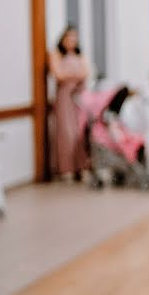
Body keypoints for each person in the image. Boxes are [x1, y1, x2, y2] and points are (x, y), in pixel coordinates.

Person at [49, 27, 90, 181]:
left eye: (74, 38)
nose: (72, 41)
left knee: (79, 131)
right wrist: (74, 76)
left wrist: (70, 77)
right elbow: (58, 74)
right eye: (69, 38)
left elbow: (85, 73)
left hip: (77, 97)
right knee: (66, 132)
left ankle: (81, 166)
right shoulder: (56, 54)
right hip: (64, 98)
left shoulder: (80, 55)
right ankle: (66, 168)